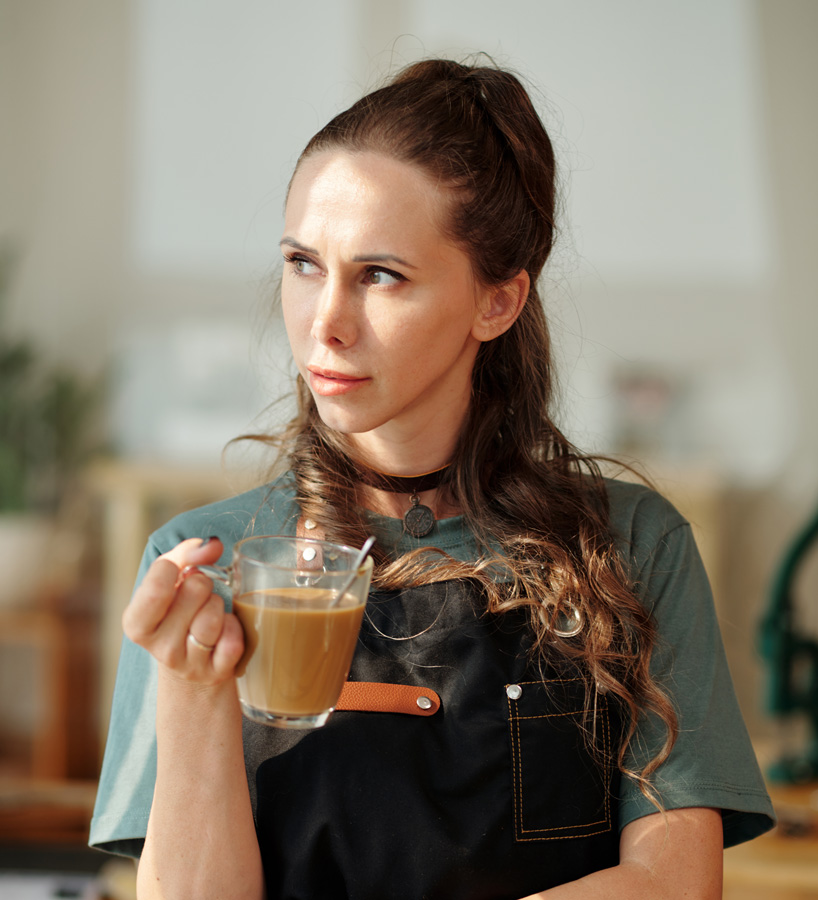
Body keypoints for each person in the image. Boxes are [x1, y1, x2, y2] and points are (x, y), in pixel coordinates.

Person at [90, 58, 775, 899]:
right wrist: (194, 692)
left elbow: (674, 884)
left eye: (380, 275)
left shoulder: (635, 545)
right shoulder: (203, 564)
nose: (325, 324)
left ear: (497, 302)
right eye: (303, 263)